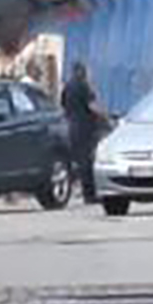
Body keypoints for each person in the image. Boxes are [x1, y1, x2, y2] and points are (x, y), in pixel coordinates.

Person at [61, 59, 104, 201]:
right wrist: (105, 117)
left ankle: (78, 189)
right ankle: (90, 194)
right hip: (86, 127)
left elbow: (62, 105)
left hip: (71, 126)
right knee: (88, 161)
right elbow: (92, 106)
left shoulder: (67, 87)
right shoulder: (84, 86)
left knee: (78, 160)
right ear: (82, 72)